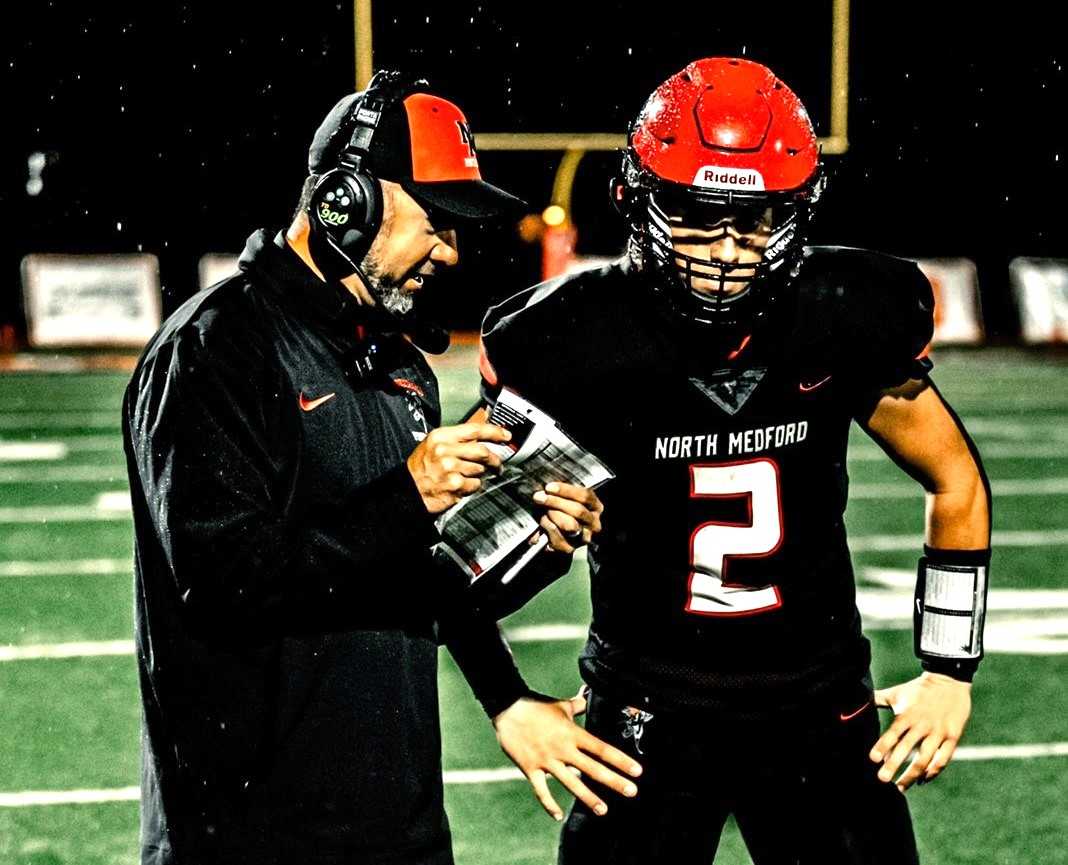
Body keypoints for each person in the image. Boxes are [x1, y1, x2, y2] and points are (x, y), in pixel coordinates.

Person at [477, 57, 991, 864]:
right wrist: (507, 700)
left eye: (753, 219)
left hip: (817, 705)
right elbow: (452, 548)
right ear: (637, 200)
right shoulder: (573, 339)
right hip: (647, 712)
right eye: (693, 211)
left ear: (796, 213)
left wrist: (949, 670)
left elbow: (954, 477)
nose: (724, 248)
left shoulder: (842, 311)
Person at [122, 70, 640, 865]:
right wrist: (408, 494)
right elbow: (223, 583)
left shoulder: (398, 364)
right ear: (344, 200)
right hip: (250, 835)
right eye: (436, 221)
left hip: (398, 827)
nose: (451, 250)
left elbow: (408, 581)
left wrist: (533, 546)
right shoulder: (215, 349)